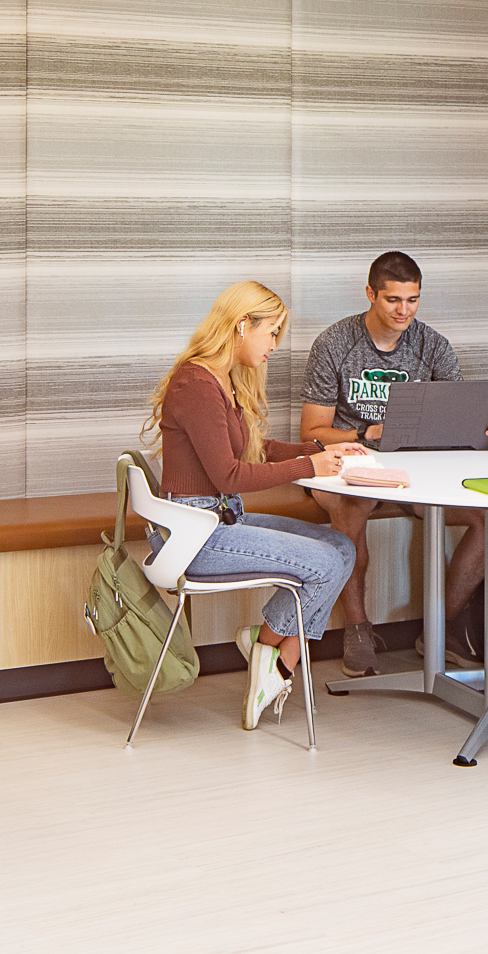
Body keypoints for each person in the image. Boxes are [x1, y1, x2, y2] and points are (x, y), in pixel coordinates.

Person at [148, 281, 362, 731]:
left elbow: (253, 449)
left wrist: (319, 451)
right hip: (195, 536)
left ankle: (265, 646)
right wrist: (310, 465)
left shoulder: (219, 381)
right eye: (271, 333)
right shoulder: (197, 384)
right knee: (324, 561)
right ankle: (278, 662)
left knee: (341, 546)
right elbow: (230, 475)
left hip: (218, 519)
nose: (273, 347)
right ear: (242, 325)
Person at [299, 251, 488, 677]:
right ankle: (357, 628)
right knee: (350, 507)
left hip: (418, 467)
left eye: (412, 300)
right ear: (370, 295)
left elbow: (460, 417)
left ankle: (443, 625)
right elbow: (313, 431)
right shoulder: (334, 343)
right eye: (393, 300)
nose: (403, 311)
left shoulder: (431, 344)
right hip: (347, 462)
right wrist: (365, 435)